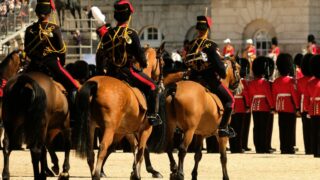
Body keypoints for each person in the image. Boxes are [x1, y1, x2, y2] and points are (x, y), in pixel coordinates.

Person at [97, 0, 161, 126]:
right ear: (129, 16)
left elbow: (101, 55)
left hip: (110, 73)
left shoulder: (107, 34)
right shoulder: (131, 34)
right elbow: (140, 56)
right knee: (153, 87)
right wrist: (143, 64)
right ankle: (152, 116)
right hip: (127, 72)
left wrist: (101, 71)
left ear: (116, 16)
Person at [24, 0, 79, 115]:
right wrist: (62, 63)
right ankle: (75, 115)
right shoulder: (55, 28)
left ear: (36, 12)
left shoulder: (29, 30)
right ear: (50, 13)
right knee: (73, 86)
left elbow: (27, 51)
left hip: (34, 65)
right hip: (52, 64)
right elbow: (61, 51)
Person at [185, 15, 235, 138]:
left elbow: (186, 62)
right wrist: (222, 73)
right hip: (209, 80)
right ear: (207, 29)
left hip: (192, 80)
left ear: (198, 29)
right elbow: (221, 69)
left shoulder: (191, 45)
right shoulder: (211, 45)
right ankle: (223, 128)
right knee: (230, 100)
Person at [272, 53, 300, 154]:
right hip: (289, 106)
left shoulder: (276, 81)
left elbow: (274, 95)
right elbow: (294, 95)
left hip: (280, 106)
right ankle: (289, 147)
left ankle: (283, 147)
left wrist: (275, 107)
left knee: (282, 127)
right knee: (290, 127)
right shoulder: (291, 81)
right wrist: (297, 107)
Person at [247, 56, 274, 153]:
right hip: (264, 106)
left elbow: (250, 96)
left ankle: (258, 147)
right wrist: (272, 106)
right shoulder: (265, 83)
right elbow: (268, 96)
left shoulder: (251, 83)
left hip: (255, 107)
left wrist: (249, 106)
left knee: (256, 127)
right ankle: (264, 147)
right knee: (264, 128)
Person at [229, 58, 250, 153]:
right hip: (240, 107)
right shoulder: (243, 82)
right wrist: (248, 105)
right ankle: (238, 147)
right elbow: (245, 95)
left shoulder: (230, 80)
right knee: (240, 129)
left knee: (232, 127)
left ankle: (233, 147)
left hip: (232, 106)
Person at [297, 53, 314, 154]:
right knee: (315, 128)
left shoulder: (300, 81)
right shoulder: (315, 80)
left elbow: (298, 95)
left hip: (303, 106)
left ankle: (308, 148)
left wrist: (298, 108)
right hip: (315, 106)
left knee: (306, 128)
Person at [306, 55, 320, 157]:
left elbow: (307, 97)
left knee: (314, 130)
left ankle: (315, 150)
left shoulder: (310, 82)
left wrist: (307, 109)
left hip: (313, 108)